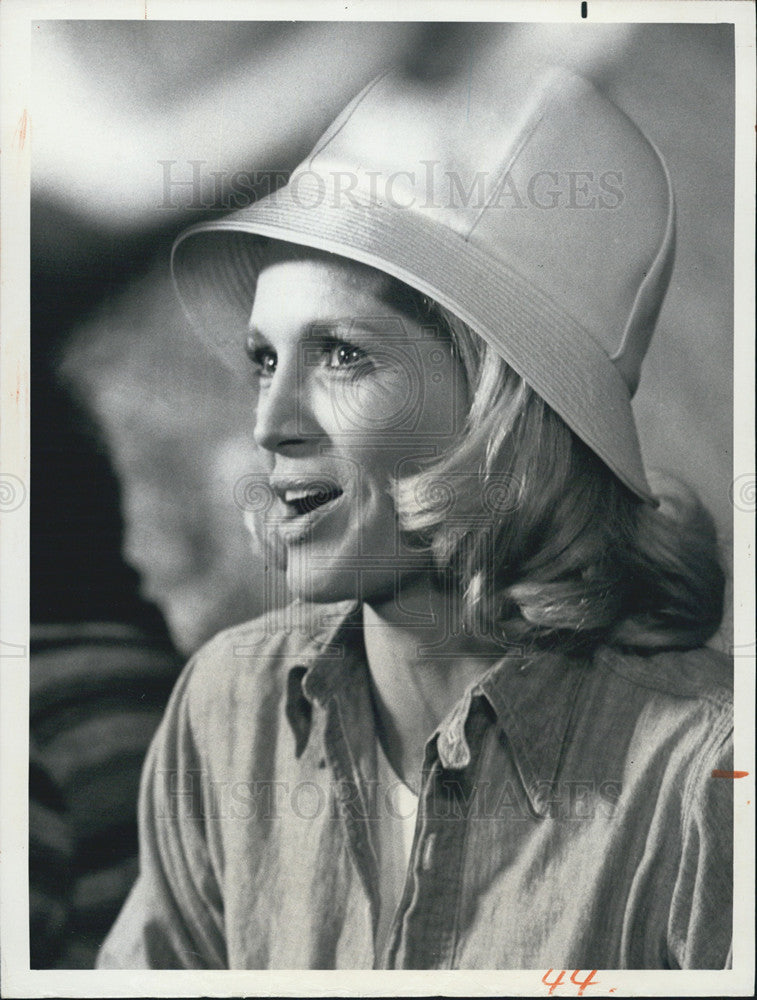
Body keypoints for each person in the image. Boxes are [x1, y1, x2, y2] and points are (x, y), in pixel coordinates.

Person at [97, 62, 732, 970]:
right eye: (265, 360)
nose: (269, 426)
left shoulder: (705, 782)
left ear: (499, 410)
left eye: (344, 356)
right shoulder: (227, 711)